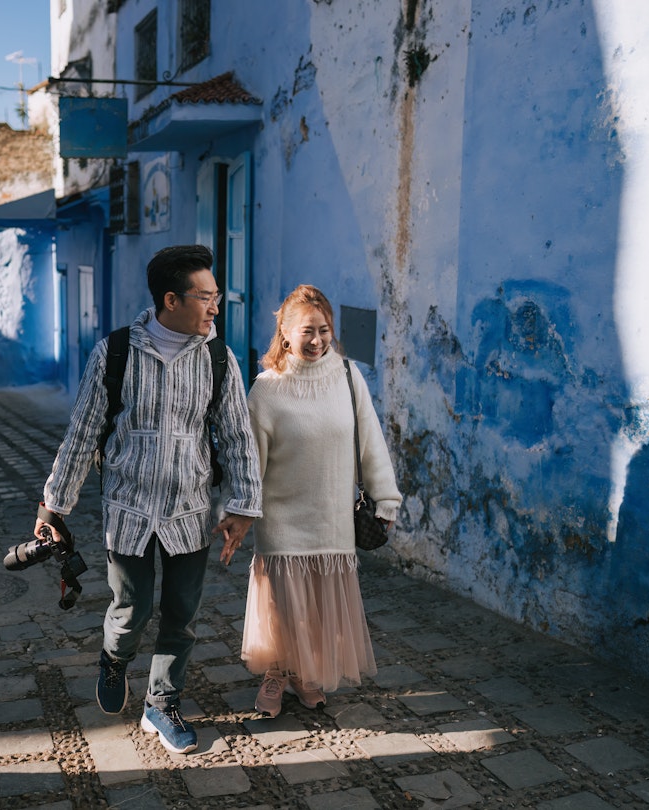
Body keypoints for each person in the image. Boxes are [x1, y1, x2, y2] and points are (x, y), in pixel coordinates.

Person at [36, 244, 262, 754]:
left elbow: (238, 438)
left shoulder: (219, 359)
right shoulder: (114, 353)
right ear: (170, 300)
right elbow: (83, 433)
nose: (216, 306)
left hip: (190, 511)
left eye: (217, 296)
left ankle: (162, 702)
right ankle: (115, 658)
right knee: (130, 610)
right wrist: (53, 507)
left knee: (182, 615)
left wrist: (243, 506)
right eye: (205, 297)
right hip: (129, 510)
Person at [220, 284, 401, 716]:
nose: (318, 340)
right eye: (307, 331)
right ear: (285, 333)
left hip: (331, 515)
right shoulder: (266, 390)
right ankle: (277, 672)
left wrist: (385, 500)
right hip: (282, 518)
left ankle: (303, 673)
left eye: (324, 330)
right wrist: (239, 512)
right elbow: (249, 462)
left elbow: (370, 442)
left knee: (317, 606)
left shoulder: (347, 377)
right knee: (284, 604)